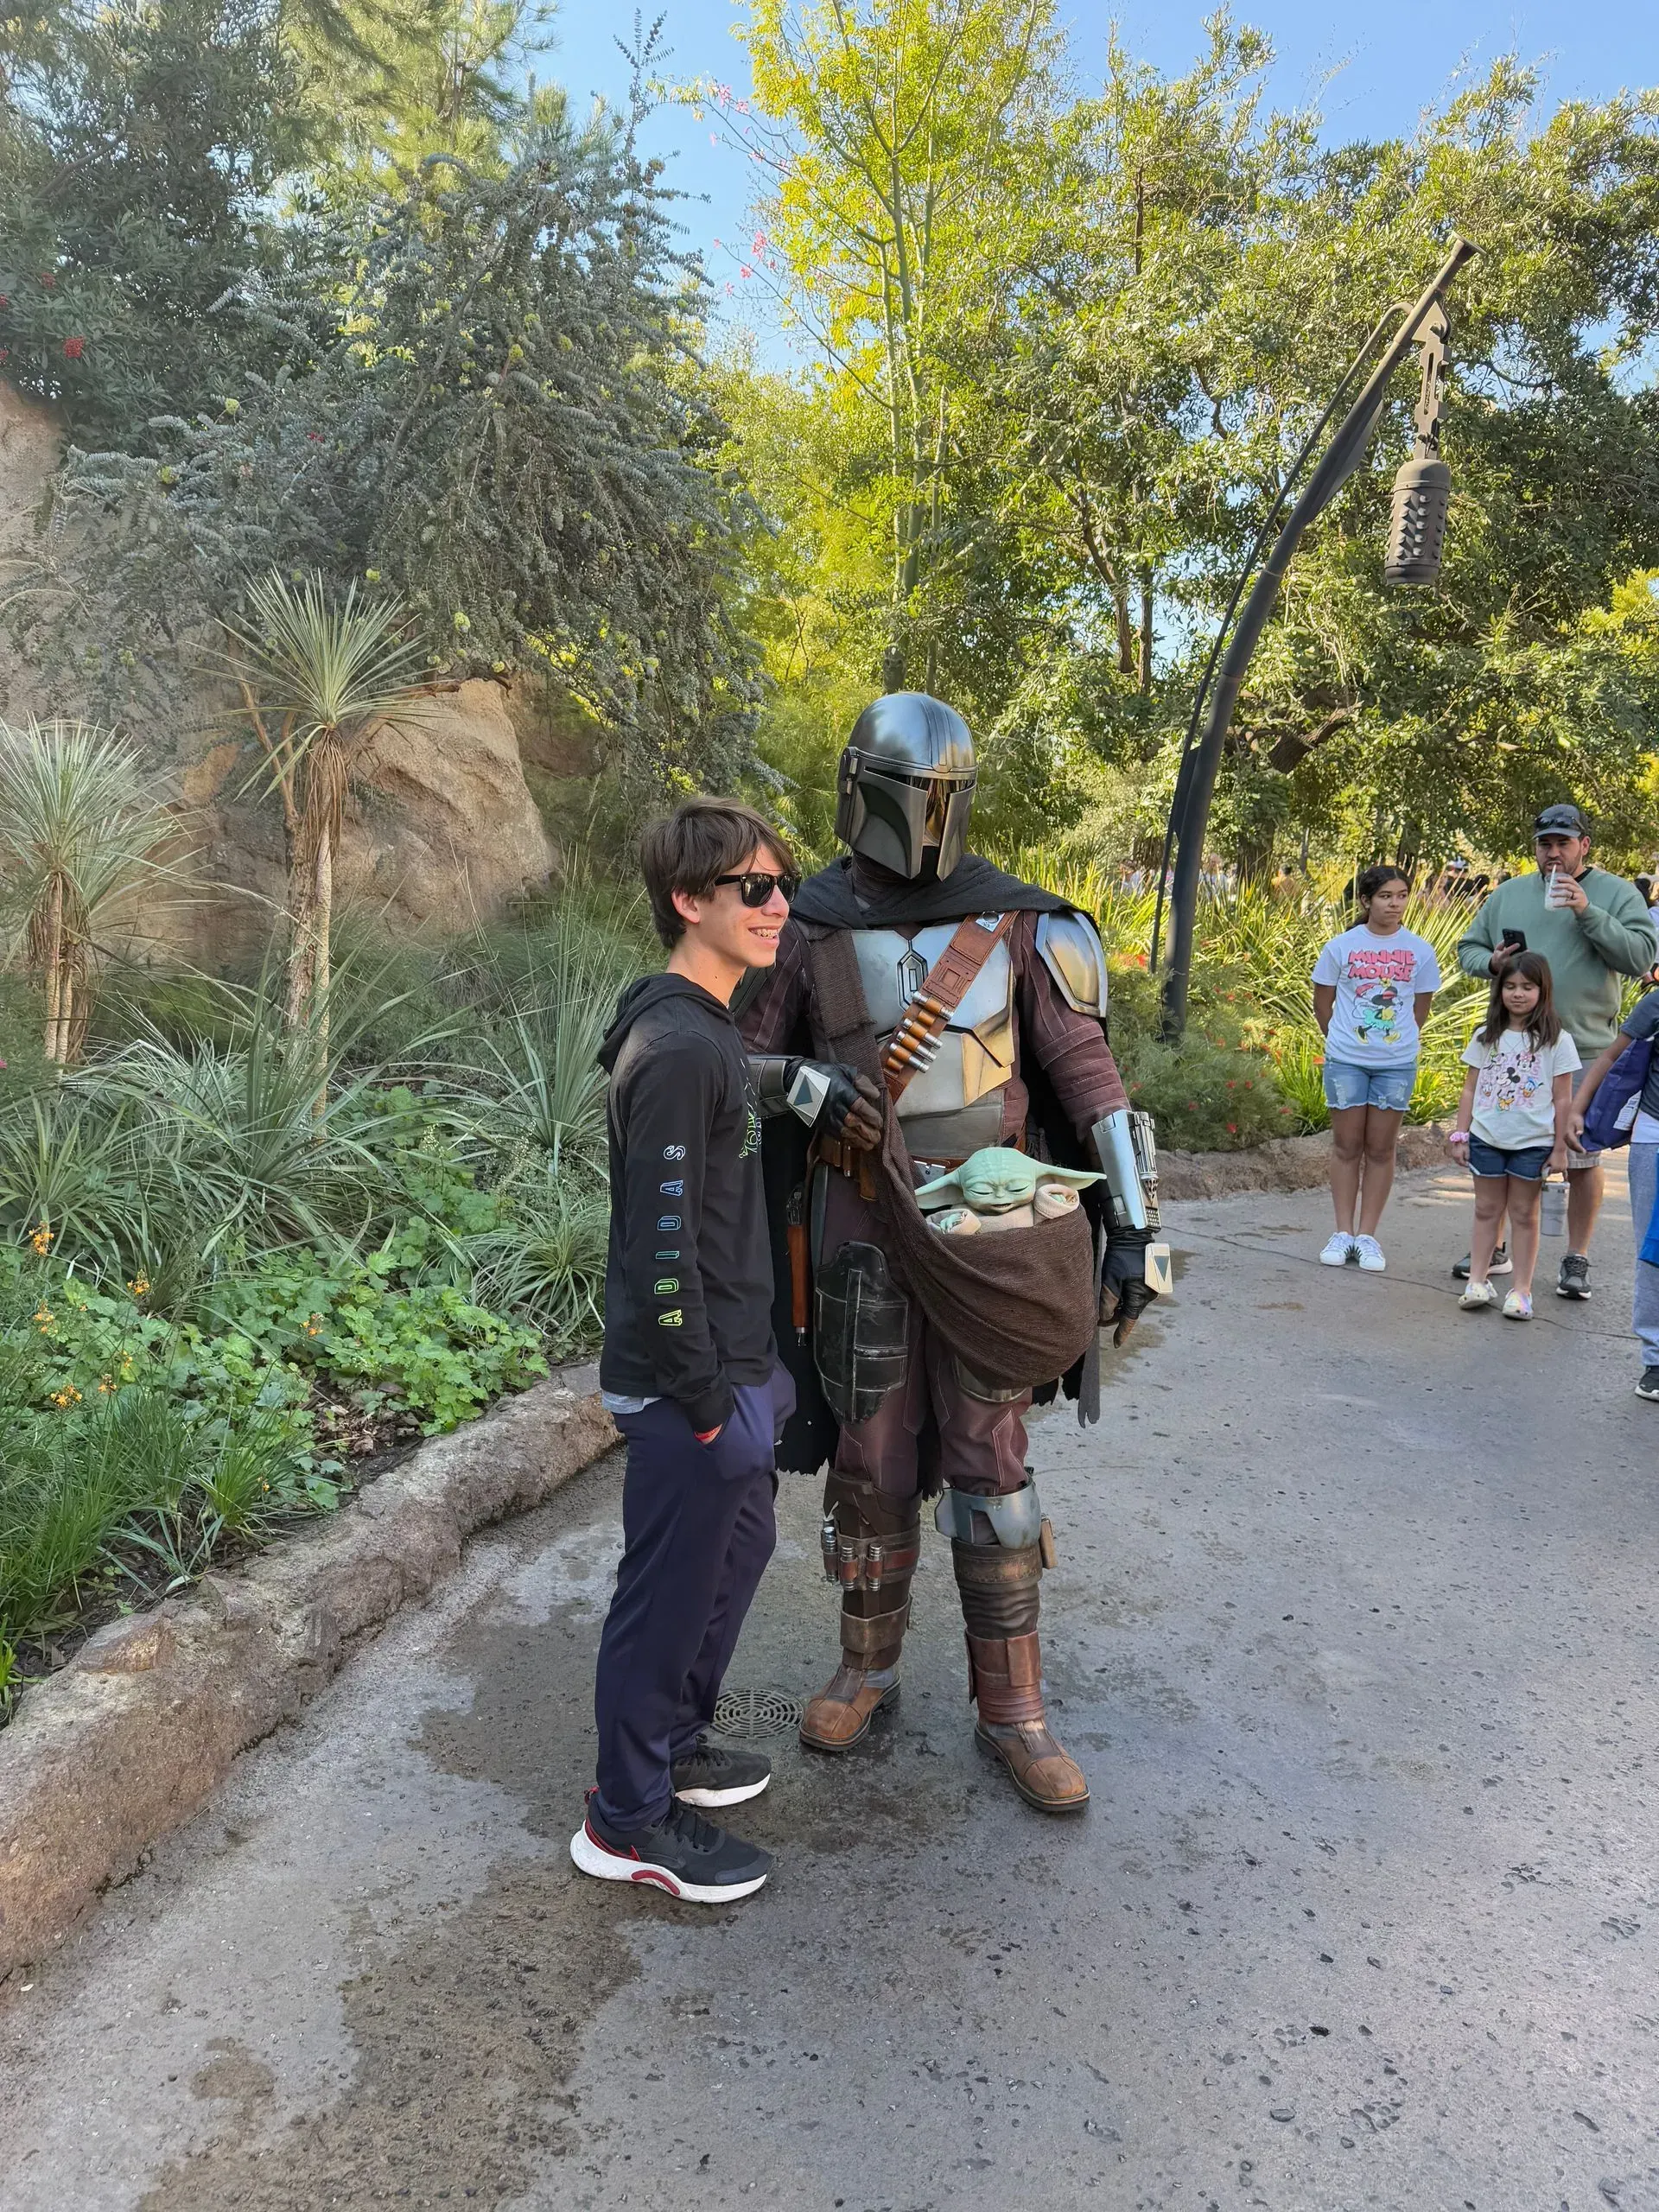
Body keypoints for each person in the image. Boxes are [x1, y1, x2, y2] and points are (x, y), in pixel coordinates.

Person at [738, 691, 1167, 1814]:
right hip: (857, 1220)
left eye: (940, 797)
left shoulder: (1025, 923)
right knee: (872, 1455)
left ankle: (1013, 1707)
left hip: (995, 1233)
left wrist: (1135, 1228)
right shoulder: (806, 925)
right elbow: (729, 1063)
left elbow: (1087, 1077)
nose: (923, 818)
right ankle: (865, 1665)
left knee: (993, 1462)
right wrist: (797, 1087)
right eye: (907, 795)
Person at [572, 798, 882, 1905]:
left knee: (734, 1556)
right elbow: (661, 1255)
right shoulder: (670, 1050)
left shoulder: (705, 1033)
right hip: (685, 1388)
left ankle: (675, 1745)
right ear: (687, 900)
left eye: (783, 883)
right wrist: (707, 1404)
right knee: (664, 1596)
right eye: (753, 888)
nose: (778, 905)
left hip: (736, 1370)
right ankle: (625, 1818)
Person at [1455, 804, 1656, 1299]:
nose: (1553, 853)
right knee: (1504, 1143)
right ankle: (1496, 1249)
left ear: (1584, 845)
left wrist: (1587, 911)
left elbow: (1641, 956)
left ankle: (1576, 1256)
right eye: (1545, 844)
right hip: (1511, 1044)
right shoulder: (1508, 894)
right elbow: (1468, 950)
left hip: (1583, 1045)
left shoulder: (1614, 894)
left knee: (1580, 1157)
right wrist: (1493, 962)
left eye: (1564, 844)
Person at [1312, 864, 1441, 1272]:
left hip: (1396, 1064)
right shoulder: (1341, 947)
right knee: (1347, 1147)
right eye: (1386, 896)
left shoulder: (1420, 951)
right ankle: (1342, 1232)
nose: (1395, 904)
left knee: (1382, 1149)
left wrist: (1395, 1043)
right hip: (1347, 1060)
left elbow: (1419, 1009)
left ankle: (1367, 1236)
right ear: (1367, 901)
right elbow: (1323, 1003)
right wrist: (1344, 1039)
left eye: (1402, 895)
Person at [1447, 952, 1579, 1319]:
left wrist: (1559, 1149)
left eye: (1527, 987)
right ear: (1499, 990)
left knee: (1524, 1214)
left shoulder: (1556, 1040)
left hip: (1532, 1141)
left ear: (1542, 990)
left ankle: (1521, 1291)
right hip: (1487, 1136)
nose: (1517, 994)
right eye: (1509, 986)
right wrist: (1461, 1134)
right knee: (1486, 1209)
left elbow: (1562, 1097)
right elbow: (1470, 1089)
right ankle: (1477, 1280)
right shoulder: (1485, 1036)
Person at [1568, 982, 1659, 1400]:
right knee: (1653, 1249)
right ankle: (1656, 1358)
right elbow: (1612, 1055)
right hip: (1655, 1138)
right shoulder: (1656, 1003)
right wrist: (1578, 1109)